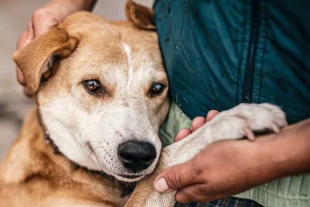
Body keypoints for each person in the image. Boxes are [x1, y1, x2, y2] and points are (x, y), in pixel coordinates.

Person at [16, 0, 310, 206]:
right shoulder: (31, 190)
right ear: (46, 69)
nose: (135, 137)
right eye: (95, 87)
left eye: (155, 88)